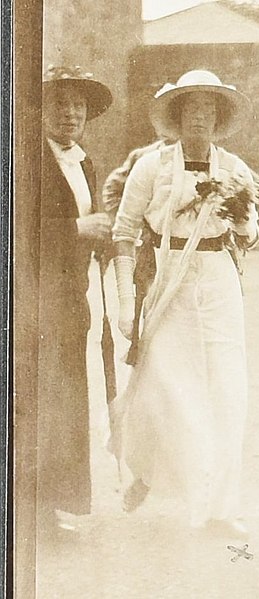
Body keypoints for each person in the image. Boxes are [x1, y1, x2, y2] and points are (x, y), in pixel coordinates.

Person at [111, 70, 259, 536]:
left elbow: (251, 236)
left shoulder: (235, 169)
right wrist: (124, 302)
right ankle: (146, 469)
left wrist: (241, 221)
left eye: (209, 109)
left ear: (218, 118)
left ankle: (218, 509)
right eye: (191, 108)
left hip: (217, 283)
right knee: (165, 388)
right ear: (176, 117)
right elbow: (124, 231)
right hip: (167, 276)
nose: (200, 116)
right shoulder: (151, 167)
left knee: (227, 391)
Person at [38, 65, 113, 534]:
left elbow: (88, 221)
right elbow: (17, 232)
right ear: (41, 109)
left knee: (64, 403)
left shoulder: (83, 161)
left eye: (78, 105)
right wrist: (77, 230)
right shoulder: (24, 161)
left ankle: (48, 508)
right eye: (60, 103)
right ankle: (25, 511)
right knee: (35, 403)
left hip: (70, 303)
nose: (70, 113)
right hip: (32, 305)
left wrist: (100, 239)